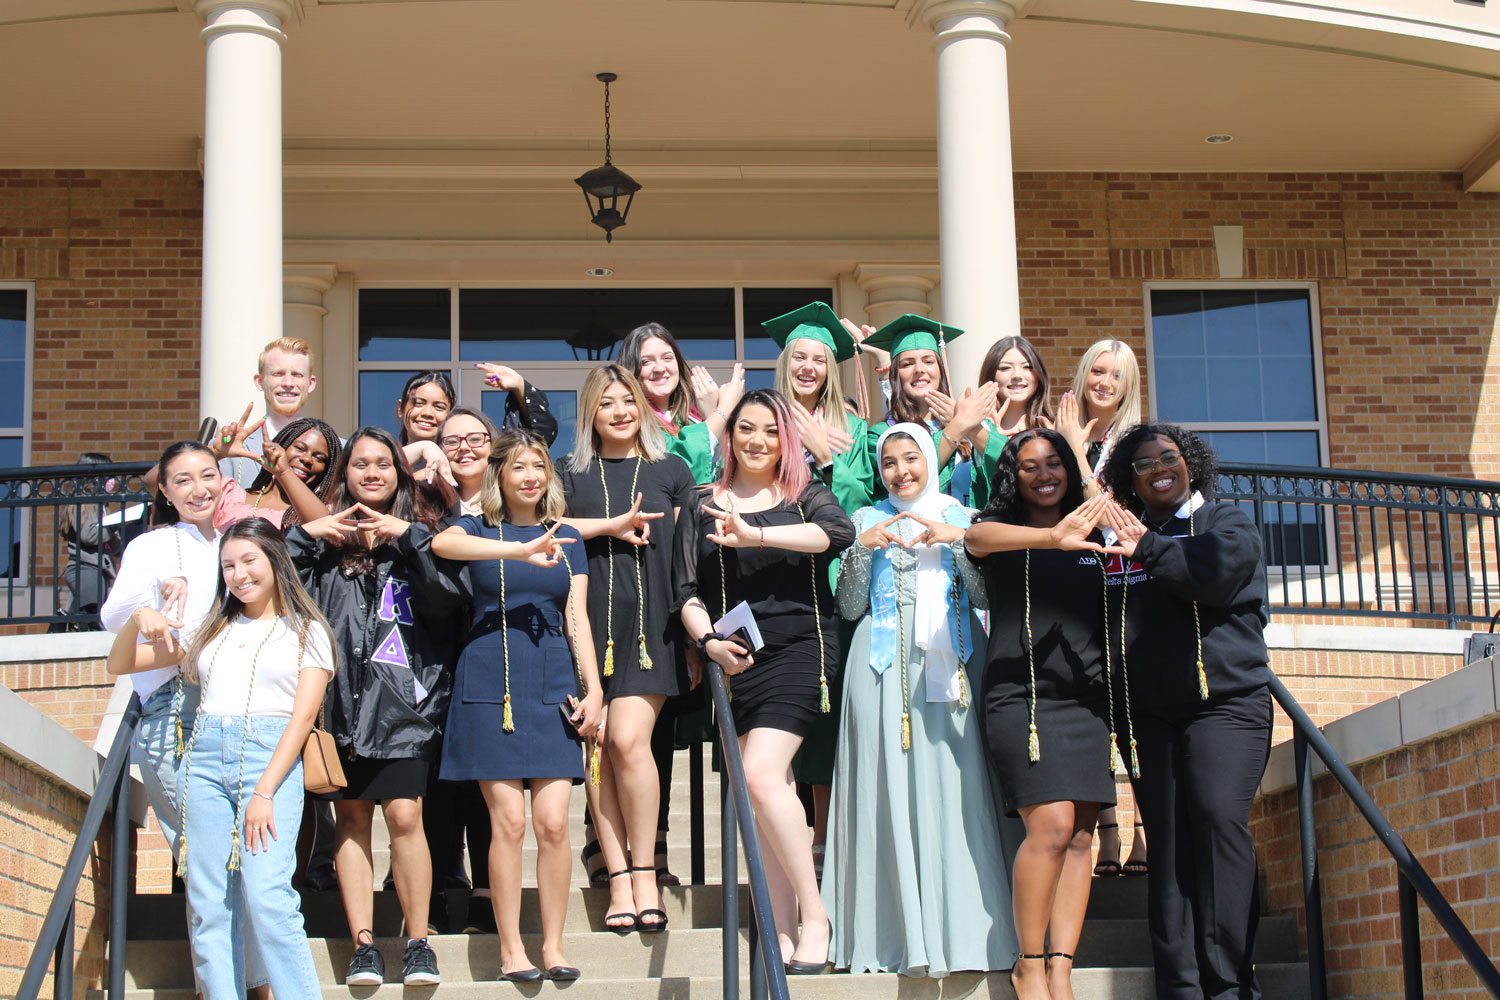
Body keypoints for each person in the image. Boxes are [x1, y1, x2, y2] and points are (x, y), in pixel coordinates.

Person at [106, 518, 334, 1000]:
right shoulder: (211, 629)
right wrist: (137, 617)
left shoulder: (306, 631)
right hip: (204, 762)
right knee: (209, 903)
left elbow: (302, 719)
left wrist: (264, 791)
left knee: (268, 897)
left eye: (249, 560)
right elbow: (119, 663)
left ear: (275, 559)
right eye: (228, 565)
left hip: (269, 764)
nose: (239, 574)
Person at [823, 424, 1016, 976]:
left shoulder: (962, 514)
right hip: (880, 667)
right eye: (889, 462)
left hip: (953, 662)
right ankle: (892, 932)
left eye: (911, 458)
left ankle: (968, 931)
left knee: (958, 785)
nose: (901, 471)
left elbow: (984, 597)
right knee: (883, 783)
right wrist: (864, 550)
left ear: (932, 459)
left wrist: (956, 543)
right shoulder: (864, 518)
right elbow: (850, 606)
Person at [675, 388, 855, 973]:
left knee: (757, 774)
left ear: (788, 439)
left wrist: (754, 532)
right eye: (746, 428)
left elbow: (837, 535)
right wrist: (708, 642)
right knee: (759, 794)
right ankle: (777, 932)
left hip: (801, 648)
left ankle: (815, 916)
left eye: (772, 431)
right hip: (736, 657)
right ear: (729, 436)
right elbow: (686, 591)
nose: (758, 441)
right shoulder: (701, 502)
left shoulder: (806, 494)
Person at [285, 426, 470, 987]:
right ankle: (363, 945)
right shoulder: (323, 547)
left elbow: (452, 598)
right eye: (360, 464)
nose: (371, 473)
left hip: (405, 706)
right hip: (341, 704)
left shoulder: (425, 536)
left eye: (383, 464)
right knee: (352, 818)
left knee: (406, 815)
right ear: (344, 475)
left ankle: (418, 941)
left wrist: (409, 537)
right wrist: (308, 534)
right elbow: (272, 581)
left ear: (400, 474)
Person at [1100, 422, 1272, 1000]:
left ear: (1190, 463)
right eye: (1143, 465)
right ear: (1131, 480)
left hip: (1226, 705)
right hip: (1148, 715)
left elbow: (1211, 575)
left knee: (1218, 819)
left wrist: (1146, 548)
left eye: (1167, 458)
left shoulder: (1226, 522)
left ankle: (1230, 981)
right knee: (1168, 842)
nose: (1158, 470)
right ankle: (1180, 985)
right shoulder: (1121, 540)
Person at [432, 430, 603, 982]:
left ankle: (553, 945)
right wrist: (518, 549)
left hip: (552, 675)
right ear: (499, 475)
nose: (531, 476)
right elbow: (442, 546)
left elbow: (576, 616)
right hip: (491, 676)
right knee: (507, 823)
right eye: (519, 467)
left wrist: (595, 688)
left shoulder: (567, 536)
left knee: (553, 824)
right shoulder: (476, 527)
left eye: (538, 466)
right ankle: (511, 950)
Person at [965, 428, 1118, 1000]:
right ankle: (1028, 964)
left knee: (1079, 835)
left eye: (1054, 463)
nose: (1045, 474)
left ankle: (1061, 968)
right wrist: (1053, 537)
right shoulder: (1003, 530)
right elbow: (974, 538)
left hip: (1085, 698)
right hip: (1021, 697)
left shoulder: (1095, 532)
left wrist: (1079, 455)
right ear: (1014, 476)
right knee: (1051, 826)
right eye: (1030, 466)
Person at [557, 365, 696, 932]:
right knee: (597, 746)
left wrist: (695, 638)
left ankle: (645, 872)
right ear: (589, 412)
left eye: (628, 400)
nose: (619, 412)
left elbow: (688, 558)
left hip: (651, 632)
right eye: (606, 403)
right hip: (585, 630)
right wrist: (609, 526)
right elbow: (542, 525)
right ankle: (616, 877)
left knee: (627, 740)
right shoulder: (568, 472)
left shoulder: (671, 469)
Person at [762, 302, 875, 873]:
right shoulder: (761, 421)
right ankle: (778, 847)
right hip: (771, 581)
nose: (808, 367)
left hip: (833, 586)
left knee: (828, 717)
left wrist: (827, 455)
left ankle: (825, 839)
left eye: (819, 359)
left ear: (832, 369)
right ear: (785, 363)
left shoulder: (856, 430)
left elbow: (862, 506)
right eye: (799, 357)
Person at [858, 314, 997, 504]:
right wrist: (958, 426)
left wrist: (971, 427)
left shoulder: (975, 423)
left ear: (941, 369)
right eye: (907, 364)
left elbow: (1009, 468)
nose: (919, 369)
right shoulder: (881, 435)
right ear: (896, 375)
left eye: (928, 361)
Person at [618, 321, 744, 485]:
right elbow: (679, 466)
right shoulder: (630, 420)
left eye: (667, 358)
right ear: (631, 369)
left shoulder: (691, 418)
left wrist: (710, 415)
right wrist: (723, 410)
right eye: (646, 362)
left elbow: (727, 476)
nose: (659, 368)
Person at [217, 337, 321, 487]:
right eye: (278, 374)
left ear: (310, 383)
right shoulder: (230, 449)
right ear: (260, 381)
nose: (288, 383)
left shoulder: (339, 450)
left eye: (297, 374)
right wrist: (214, 455)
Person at [213, 414, 343, 530]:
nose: (307, 459)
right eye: (299, 448)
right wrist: (214, 453)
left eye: (319, 458)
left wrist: (284, 472)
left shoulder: (321, 513)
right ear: (282, 445)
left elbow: (325, 528)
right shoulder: (228, 497)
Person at [968, 335, 1054, 510]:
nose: (1017, 376)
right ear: (991, 375)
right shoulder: (976, 430)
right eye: (1005, 368)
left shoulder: (1054, 428)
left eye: (1027, 367)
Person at [1057, 338, 1142, 495]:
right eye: (1098, 372)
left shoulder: (1137, 445)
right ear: (1083, 374)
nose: (1105, 383)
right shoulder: (1059, 432)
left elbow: (1108, 510)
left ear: (1128, 386)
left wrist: (1074, 448)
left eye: (1118, 376)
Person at [57, 451, 122, 626]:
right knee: (90, 622)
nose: (112, 480)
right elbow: (90, 536)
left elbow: (115, 547)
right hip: (85, 569)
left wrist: (116, 524)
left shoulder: (100, 506)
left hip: (96, 569)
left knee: (92, 619)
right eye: (108, 475)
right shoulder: (84, 502)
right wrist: (114, 524)